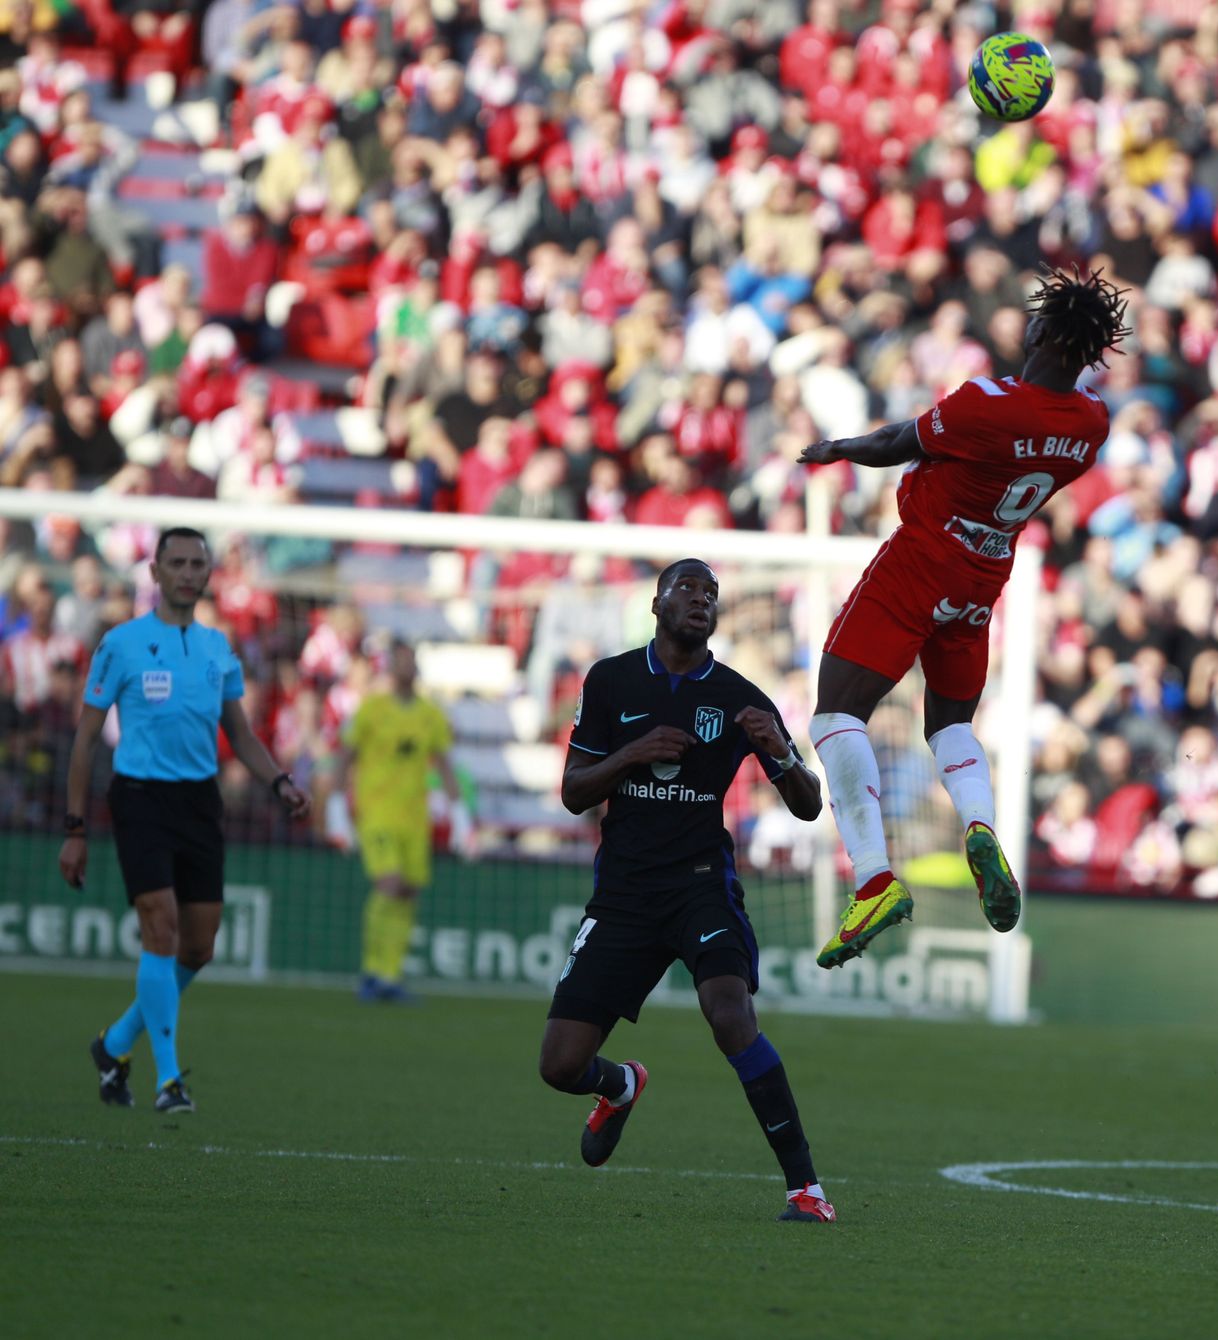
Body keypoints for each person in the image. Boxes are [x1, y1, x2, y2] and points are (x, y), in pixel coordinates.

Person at [798, 266, 1128, 967]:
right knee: (948, 721)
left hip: (922, 559)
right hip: (983, 577)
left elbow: (903, 443)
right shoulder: (1092, 423)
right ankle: (979, 823)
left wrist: (840, 449)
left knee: (833, 715)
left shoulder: (988, 402)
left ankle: (875, 880)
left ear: (1041, 331)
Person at [540, 558, 835, 1224]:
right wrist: (630, 754)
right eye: (687, 588)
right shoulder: (611, 680)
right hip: (623, 894)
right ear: (656, 604)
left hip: (700, 884)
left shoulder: (738, 697)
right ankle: (620, 1085)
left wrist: (782, 755)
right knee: (559, 1065)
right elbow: (573, 791)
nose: (700, 599)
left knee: (729, 1013)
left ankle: (806, 1190)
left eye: (711, 593)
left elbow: (810, 805)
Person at [59, 527, 310, 1113]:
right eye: (177, 562)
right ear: (155, 571)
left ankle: (114, 1044)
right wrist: (75, 830)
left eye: (198, 563)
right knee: (161, 929)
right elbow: (85, 740)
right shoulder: (120, 644)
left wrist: (278, 783)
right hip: (140, 797)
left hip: (199, 802)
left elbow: (239, 732)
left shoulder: (217, 648)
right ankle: (168, 1080)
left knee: (199, 947)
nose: (189, 573)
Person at [326, 640, 472, 1003]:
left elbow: (443, 763)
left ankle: (389, 975)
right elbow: (346, 755)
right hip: (377, 812)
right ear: (390, 666)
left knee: (408, 891)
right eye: (400, 661)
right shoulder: (372, 709)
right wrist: (336, 805)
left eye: (411, 661)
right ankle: (373, 972)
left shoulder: (429, 713)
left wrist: (459, 814)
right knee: (388, 885)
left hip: (414, 815)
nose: (406, 667)